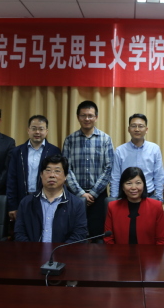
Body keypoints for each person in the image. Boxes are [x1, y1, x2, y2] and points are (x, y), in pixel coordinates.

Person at [63, 100, 114, 238]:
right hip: (74, 195)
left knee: (97, 235)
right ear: (78, 117)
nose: (87, 119)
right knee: (74, 233)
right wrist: (80, 193)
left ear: (96, 117)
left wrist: (93, 193)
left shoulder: (105, 139)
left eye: (90, 115)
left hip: (98, 196)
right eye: (83, 115)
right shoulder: (70, 140)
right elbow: (66, 168)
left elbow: (109, 168)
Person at [14, 155, 88, 243]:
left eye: (57, 171)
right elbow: (19, 233)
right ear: (41, 174)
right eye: (48, 171)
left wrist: (59, 250)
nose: (52, 175)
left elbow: (79, 235)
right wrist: (33, 249)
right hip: (32, 251)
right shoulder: (26, 202)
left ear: (66, 176)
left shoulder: (77, 204)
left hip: (64, 251)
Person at [6, 115, 61, 220]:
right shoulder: (17, 152)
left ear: (47, 131)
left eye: (41, 129)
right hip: (21, 200)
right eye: (34, 128)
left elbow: (57, 179)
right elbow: (11, 180)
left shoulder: (54, 151)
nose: (37, 132)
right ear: (28, 130)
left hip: (46, 200)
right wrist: (12, 206)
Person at [104, 167, 164, 245]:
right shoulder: (112, 207)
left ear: (144, 185)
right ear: (122, 186)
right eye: (129, 183)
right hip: (120, 252)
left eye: (138, 183)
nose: (134, 187)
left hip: (149, 252)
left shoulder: (156, 206)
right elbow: (108, 239)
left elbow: (161, 239)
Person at [110, 114, 164, 201]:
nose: (137, 129)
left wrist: (159, 199)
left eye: (141, 126)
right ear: (128, 129)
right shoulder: (120, 150)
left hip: (149, 195)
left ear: (146, 130)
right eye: (133, 126)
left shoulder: (154, 149)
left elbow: (159, 176)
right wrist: (114, 199)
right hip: (126, 197)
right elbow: (115, 177)